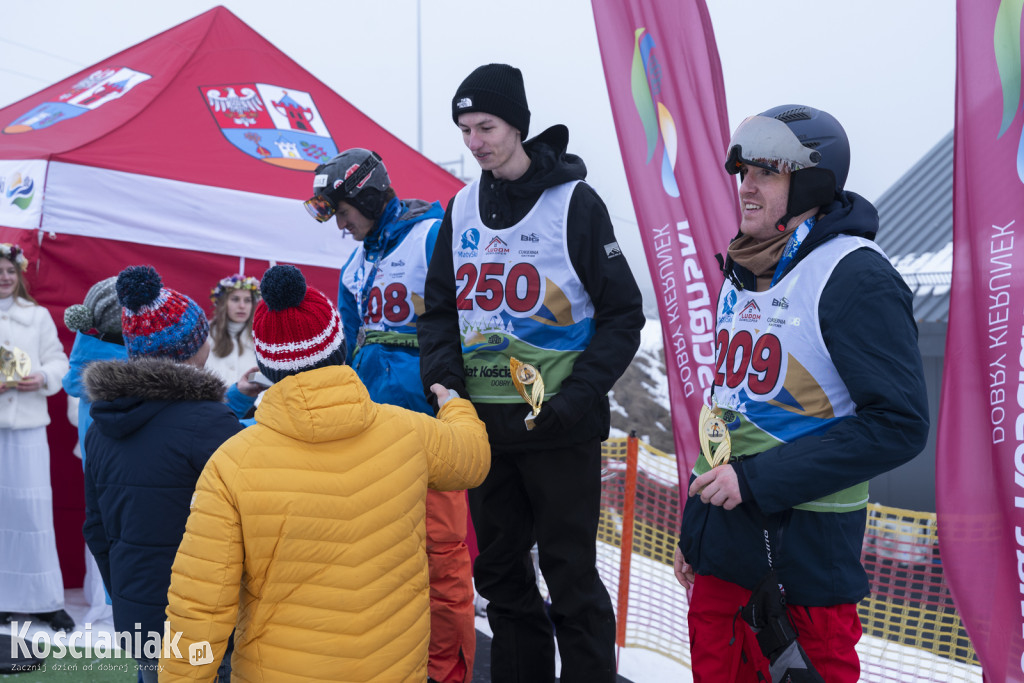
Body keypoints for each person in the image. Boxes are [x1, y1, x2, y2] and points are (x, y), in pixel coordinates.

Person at [673, 105, 930, 682]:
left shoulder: (854, 275)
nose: (747, 187)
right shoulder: (743, 270)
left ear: (811, 183)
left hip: (802, 569)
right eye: (744, 172)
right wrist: (697, 528)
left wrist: (755, 482)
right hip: (722, 558)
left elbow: (898, 424)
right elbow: (727, 407)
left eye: (768, 172)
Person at [417, 63, 645, 683]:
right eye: (464, 129)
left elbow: (624, 314)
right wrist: (446, 387)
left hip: (559, 427)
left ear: (517, 125)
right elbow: (438, 312)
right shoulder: (461, 207)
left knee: (570, 575)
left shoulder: (574, 203)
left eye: (486, 127)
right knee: (499, 576)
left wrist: (576, 399)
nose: (474, 142)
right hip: (483, 433)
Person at [160, 264, 490, 682]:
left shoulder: (232, 463)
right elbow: (472, 457)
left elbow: (198, 606)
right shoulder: (407, 430)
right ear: (340, 348)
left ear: (267, 367)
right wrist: (455, 405)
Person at [305, 147, 476, 683]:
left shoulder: (431, 237)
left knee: (441, 559)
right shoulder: (355, 266)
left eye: (343, 211)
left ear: (368, 195)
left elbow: (472, 316)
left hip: (430, 432)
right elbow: (347, 347)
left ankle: (444, 672)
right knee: (380, 561)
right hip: (373, 436)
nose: (341, 225)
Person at [82, 265, 244, 682]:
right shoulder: (210, 423)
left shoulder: (100, 426)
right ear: (192, 349)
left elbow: (96, 529)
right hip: (202, 617)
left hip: (138, 615)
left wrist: (127, 595)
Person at [0, 243, 72, 632]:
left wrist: (43, 377)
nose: (4, 277)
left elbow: (59, 360)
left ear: (20, 275)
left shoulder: (38, 315)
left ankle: (44, 600)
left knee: (32, 511)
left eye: (10, 271)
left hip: (28, 426)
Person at [63, 275, 128, 626]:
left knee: (100, 524)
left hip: (97, 451)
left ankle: (106, 601)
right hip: (123, 453)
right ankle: (115, 605)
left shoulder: (86, 351)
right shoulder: (137, 358)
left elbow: (71, 383)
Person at [205, 273, 260, 387]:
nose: (242, 306)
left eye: (247, 300)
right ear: (223, 303)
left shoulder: (261, 340)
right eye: (235, 299)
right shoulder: (205, 337)